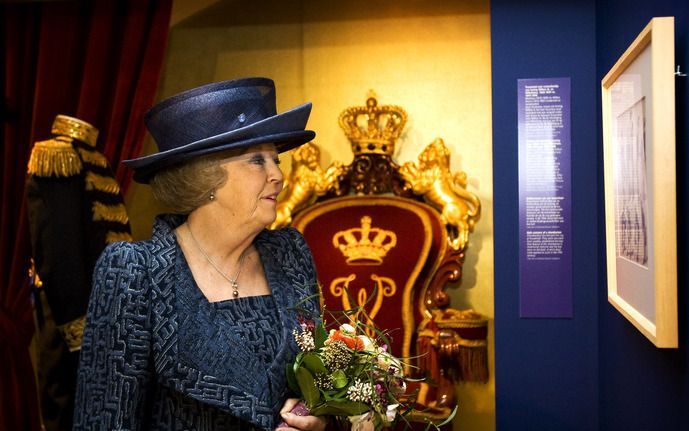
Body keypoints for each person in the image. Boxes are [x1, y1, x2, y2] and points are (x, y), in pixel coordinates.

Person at [72, 77, 327, 431]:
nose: (278, 176)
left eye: (276, 159)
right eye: (257, 160)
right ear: (205, 180)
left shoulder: (290, 253)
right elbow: (104, 423)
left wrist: (319, 419)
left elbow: (322, 381)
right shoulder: (134, 273)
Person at [26, 114, 132, 431]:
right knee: (66, 407)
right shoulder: (57, 155)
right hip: (72, 320)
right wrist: (79, 331)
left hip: (102, 319)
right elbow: (58, 250)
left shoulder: (91, 155)